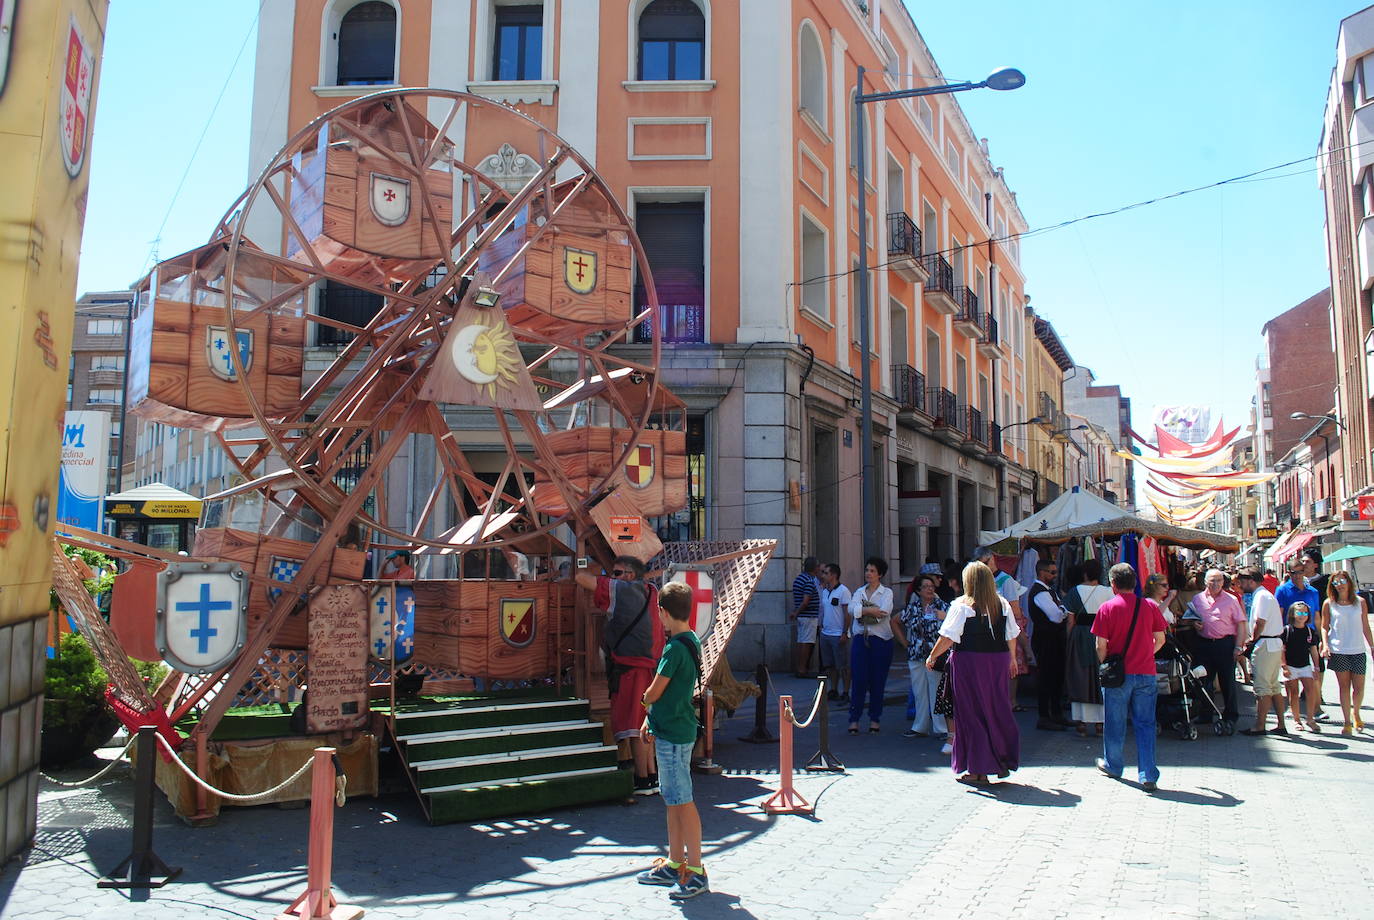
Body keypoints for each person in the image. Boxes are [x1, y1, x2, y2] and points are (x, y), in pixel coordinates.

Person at [636, 581, 708, 900]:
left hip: (673, 733)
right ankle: (675, 861)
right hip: (677, 727)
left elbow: (655, 690)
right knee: (674, 798)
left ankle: (696, 870)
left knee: (682, 799)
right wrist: (651, 717)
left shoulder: (674, 648)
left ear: (663, 613)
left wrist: (644, 703)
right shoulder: (691, 640)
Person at [924, 561, 1020, 786]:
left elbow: (947, 636)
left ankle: (978, 769)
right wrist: (1013, 658)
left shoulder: (961, 605)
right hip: (997, 661)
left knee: (971, 712)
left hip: (969, 661)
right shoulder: (1001, 604)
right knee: (994, 709)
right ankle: (997, 759)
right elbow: (1011, 634)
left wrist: (933, 656)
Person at [577, 556, 663, 794]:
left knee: (634, 726)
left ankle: (641, 779)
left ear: (630, 575)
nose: (612, 577)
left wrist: (586, 561)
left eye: (616, 573)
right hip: (652, 668)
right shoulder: (652, 590)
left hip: (630, 668)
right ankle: (651, 777)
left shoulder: (624, 591)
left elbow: (581, 578)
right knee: (646, 723)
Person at [1092, 563, 1168, 792]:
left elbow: (1100, 645)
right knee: (1145, 724)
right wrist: (1146, 653)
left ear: (1113, 584)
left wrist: (1105, 663)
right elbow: (1161, 639)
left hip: (1118, 675)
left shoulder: (1107, 608)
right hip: (1146, 671)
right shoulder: (1149, 606)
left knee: (1115, 722)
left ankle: (1113, 765)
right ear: (1135, 583)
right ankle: (1148, 774)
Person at [1186, 568, 1249, 731]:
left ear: (1223, 582)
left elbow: (1241, 623)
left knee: (1227, 681)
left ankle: (1230, 716)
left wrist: (1238, 646)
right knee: (1203, 681)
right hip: (1204, 644)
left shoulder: (1231, 600)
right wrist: (1194, 624)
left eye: (1219, 580)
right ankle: (1205, 713)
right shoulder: (1197, 599)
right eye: (1212, 580)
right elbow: (1190, 618)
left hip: (1224, 644)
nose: (1216, 584)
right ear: (1206, 582)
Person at [1319, 571, 1374, 735]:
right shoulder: (1329, 603)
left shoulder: (1360, 602)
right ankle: (1347, 721)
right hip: (1339, 649)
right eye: (1336, 583)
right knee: (1344, 687)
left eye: (1342, 581)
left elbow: (1365, 626)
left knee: (1359, 688)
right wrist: (1325, 645)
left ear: (1349, 582)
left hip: (1357, 649)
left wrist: (1372, 646)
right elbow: (1324, 626)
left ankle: (1355, 712)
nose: (1340, 585)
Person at [974, 546, 1028, 711]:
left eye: (984, 563)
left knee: (1010, 665)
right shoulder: (979, 579)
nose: (982, 567)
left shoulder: (1006, 580)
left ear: (992, 559)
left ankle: (1010, 701)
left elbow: (1015, 609)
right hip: (985, 629)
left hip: (1005, 628)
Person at [1064, 558, 1113, 736]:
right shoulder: (1108, 592)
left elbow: (1070, 621)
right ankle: (1100, 723)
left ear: (1084, 573)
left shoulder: (1074, 591)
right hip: (1102, 635)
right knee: (1101, 675)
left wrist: (1069, 640)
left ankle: (1082, 722)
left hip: (1080, 636)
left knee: (1080, 676)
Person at [847, 556, 895, 735]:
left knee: (878, 680)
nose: (868, 573)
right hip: (861, 639)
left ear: (880, 574)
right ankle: (854, 719)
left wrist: (862, 612)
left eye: (872, 571)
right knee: (858, 680)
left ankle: (875, 718)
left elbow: (883, 613)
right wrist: (869, 610)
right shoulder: (859, 592)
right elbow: (851, 610)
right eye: (867, 570)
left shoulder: (887, 592)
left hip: (881, 640)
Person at [896, 573, 947, 738]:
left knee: (937, 690)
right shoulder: (913, 608)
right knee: (919, 692)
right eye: (925, 587)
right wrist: (905, 643)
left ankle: (941, 728)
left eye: (931, 586)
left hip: (936, 654)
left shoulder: (942, 606)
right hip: (916, 654)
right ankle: (920, 726)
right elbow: (894, 621)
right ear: (918, 590)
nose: (929, 589)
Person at [1238, 568, 1287, 737]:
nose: (1241, 585)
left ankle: (1260, 726)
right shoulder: (1264, 595)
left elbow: (1260, 621)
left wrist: (1253, 639)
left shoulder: (1261, 596)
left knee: (1262, 687)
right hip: (1272, 643)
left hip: (1266, 643)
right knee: (1273, 686)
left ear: (1251, 581)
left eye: (1242, 582)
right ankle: (1281, 724)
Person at [1275, 558, 1324, 721]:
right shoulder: (1282, 590)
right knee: (1290, 676)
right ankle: (1292, 708)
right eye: (1293, 572)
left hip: (1309, 635)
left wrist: (1321, 638)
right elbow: (1279, 614)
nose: (1297, 576)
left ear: (1305, 572)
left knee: (1315, 672)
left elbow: (1316, 615)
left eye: (1300, 572)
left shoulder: (1313, 592)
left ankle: (1316, 707)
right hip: (1290, 636)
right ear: (1288, 573)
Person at [1027, 558, 1070, 731]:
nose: (1055, 575)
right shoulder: (1041, 593)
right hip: (1046, 641)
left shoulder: (1048, 591)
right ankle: (1045, 716)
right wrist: (1063, 610)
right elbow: (1057, 616)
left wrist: (1062, 610)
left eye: (1055, 572)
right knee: (1046, 678)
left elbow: (1061, 610)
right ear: (1041, 573)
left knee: (1056, 677)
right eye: (1052, 572)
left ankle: (1056, 714)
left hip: (1052, 640)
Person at [1281, 602, 1321, 732]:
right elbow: (1282, 649)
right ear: (1292, 614)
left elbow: (1313, 650)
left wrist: (1316, 667)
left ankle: (1310, 719)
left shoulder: (1310, 631)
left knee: (1310, 691)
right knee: (1294, 693)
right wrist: (1284, 666)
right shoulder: (1287, 630)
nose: (1302, 615)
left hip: (1305, 665)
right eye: (1299, 612)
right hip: (1291, 666)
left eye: (1305, 613)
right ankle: (1296, 719)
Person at [817, 563, 851, 702]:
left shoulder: (843, 591)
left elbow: (847, 613)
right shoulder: (825, 591)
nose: (823, 575)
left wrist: (844, 632)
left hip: (838, 634)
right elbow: (823, 610)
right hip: (826, 633)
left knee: (843, 665)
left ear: (834, 575)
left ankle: (846, 691)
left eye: (826, 573)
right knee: (830, 665)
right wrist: (821, 627)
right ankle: (833, 689)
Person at [791, 557, 822, 678]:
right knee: (806, 643)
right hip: (808, 616)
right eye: (818, 566)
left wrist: (796, 613)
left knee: (802, 641)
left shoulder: (799, 578)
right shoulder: (809, 581)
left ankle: (800, 667)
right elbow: (805, 601)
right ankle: (802, 669)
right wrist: (796, 613)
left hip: (804, 616)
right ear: (815, 568)